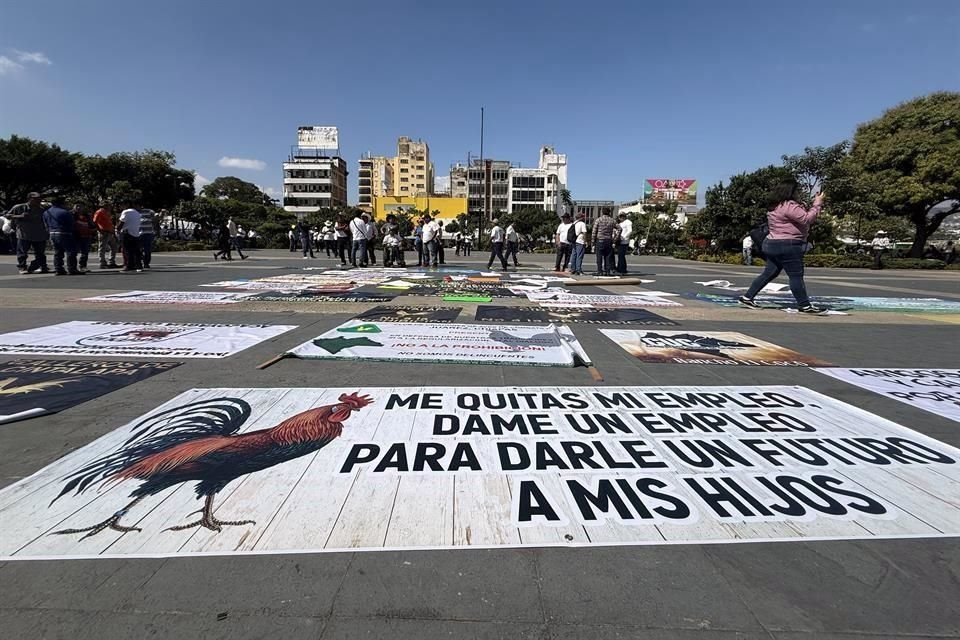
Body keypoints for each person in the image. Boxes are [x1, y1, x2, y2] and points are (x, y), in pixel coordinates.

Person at [739, 181, 825, 314]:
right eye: (797, 191)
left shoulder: (775, 206)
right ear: (791, 192)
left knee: (769, 273)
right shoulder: (789, 206)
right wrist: (817, 204)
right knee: (796, 275)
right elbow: (807, 219)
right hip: (788, 244)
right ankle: (804, 305)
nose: (799, 193)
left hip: (771, 243)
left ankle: (747, 297)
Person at [7, 192, 50, 274]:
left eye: (39, 198)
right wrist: (19, 216)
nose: (39, 200)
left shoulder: (42, 209)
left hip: (39, 234)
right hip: (24, 234)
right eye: (36, 199)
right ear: (30, 199)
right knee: (22, 252)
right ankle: (22, 267)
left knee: (40, 253)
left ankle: (41, 266)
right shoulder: (19, 207)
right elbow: (7, 215)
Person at [43, 196, 82, 275]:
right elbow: (71, 224)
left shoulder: (46, 212)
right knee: (71, 251)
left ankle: (58, 269)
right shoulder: (64, 212)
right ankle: (72, 268)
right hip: (64, 233)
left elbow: (45, 224)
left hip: (52, 233)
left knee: (58, 252)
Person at [118, 203, 143, 272]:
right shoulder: (137, 213)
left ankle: (129, 265)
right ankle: (138, 265)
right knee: (136, 250)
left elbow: (122, 222)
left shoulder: (126, 212)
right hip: (135, 233)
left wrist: (117, 229)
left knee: (127, 250)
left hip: (127, 233)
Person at [93, 203, 119, 269]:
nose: (110, 207)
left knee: (114, 247)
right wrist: (100, 230)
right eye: (109, 205)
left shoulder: (107, 212)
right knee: (102, 248)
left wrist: (113, 232)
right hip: (104, 232)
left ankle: (111, 262)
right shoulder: (99, 212)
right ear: (105, 206)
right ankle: (102, 263)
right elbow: (95, 222)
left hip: (110, 232)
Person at [592, 209, 617, 275]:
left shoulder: (598, 220)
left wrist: (593, 242)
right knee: (608, 256)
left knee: (599, 256)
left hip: (600, 239)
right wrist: (615, 239)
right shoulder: (612, 220)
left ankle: (600, 271)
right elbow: (620, 228)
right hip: (608, 240)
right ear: (609, 212)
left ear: (602, 212)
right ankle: (607, 271)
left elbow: (594, 231)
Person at [73, 205, 96, 272]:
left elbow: (91, 224)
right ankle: (73, 267)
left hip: (86, 235)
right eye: (77, 206)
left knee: (85, 252)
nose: (79, 207)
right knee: (74, 252)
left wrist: (93, 229)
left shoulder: (87, 216)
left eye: (80, 206)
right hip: (76, 236)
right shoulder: (72, 215)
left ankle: (83, 266)